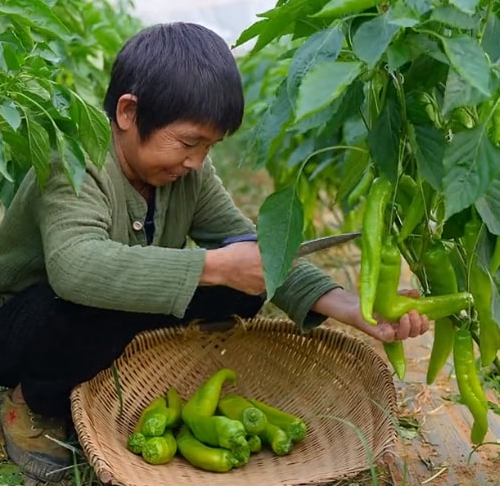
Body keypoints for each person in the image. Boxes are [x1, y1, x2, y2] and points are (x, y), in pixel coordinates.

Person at [0, 22, 429, 482]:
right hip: (24, 323)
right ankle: (29, 404)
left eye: (209, 147)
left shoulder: (189, 176)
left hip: (100, 313)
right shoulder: (74, 159)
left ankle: (142, 373)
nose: (197, 161)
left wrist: (349, 307)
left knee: (241, 290)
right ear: (128, 112)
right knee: (73, 306)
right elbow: (75, 267)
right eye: (188, 143)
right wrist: (214, 265)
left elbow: (251, 248)